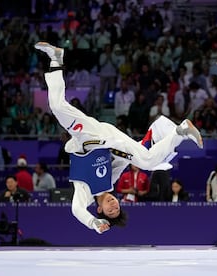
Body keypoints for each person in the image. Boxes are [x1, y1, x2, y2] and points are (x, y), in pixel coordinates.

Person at [35, 42, 203, 234]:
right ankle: (181, 131)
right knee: (147, 161)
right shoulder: (111, 180)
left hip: (86, 137)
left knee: (56, 107)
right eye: (117, 208)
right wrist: (143, 149)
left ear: (99, 210)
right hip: (109, 140)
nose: (114, 205)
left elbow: (76, 210)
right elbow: (125, 158)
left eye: (110, 210)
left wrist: (92, 223)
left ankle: (56, 58)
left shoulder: (85, 193)